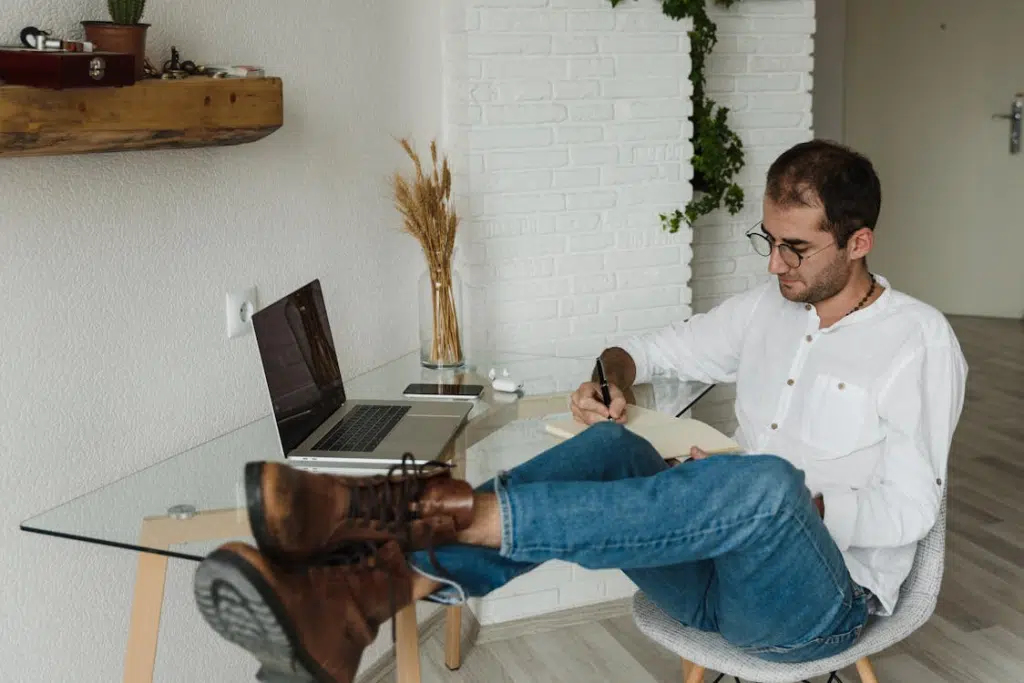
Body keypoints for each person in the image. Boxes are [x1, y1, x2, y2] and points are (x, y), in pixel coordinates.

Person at [192, 140, 968, 683]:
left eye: (795, 248)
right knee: (609, 450)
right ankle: (354, 604)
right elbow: (645, 349)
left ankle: (402, 508)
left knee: (765, 484)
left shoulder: (917, 342)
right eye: (767, 239)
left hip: (817, 604)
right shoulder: (766, 308)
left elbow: (907, 510)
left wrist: (781, 496)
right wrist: (609, 377)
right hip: (707, 577)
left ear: (859, 240)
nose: (773, 263)